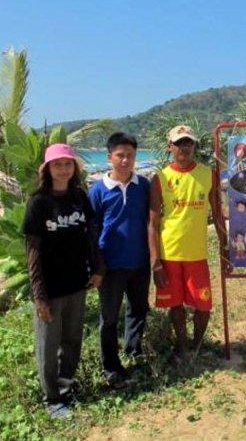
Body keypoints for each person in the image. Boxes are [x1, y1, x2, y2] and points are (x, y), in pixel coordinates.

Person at [23, 144, 103, 418]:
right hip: (50, 287)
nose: (63, 169)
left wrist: (98, 268)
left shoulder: (80, 197)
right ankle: (51, 398)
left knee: (72, 339)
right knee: (47, 344)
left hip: (77, 283)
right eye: (57, 164)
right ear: (47, 169)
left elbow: (90, 236)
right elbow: (32, 251)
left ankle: (67, 386)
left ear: (74, 168)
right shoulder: (38, 202)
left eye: (68, 164)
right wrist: (39, 294)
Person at [149, 125, 226, 361]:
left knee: (203, 305)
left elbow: (219, 214)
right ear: (170, 147)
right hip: (170, 253)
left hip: (197, 254)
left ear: (195, 146)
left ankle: (198, 345)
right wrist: (156, 262)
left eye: (188, 142)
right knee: (176, 305)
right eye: (179, 143)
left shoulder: (208, 174)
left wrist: (225, 247)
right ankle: (182, 347)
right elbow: (152, 222)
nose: (184, 147)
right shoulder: (160, 178)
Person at [89, 132, 150, 388]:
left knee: (138, 309)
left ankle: (134, 351)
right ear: (110, 157)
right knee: (109, 318)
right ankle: (111, 367)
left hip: (139, 262)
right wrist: (96, 266)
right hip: (110, 266)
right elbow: (91, 231)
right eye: (120, 155)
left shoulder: (144, 186)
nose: (126, 160)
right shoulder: (98, 191)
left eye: (130, 155)